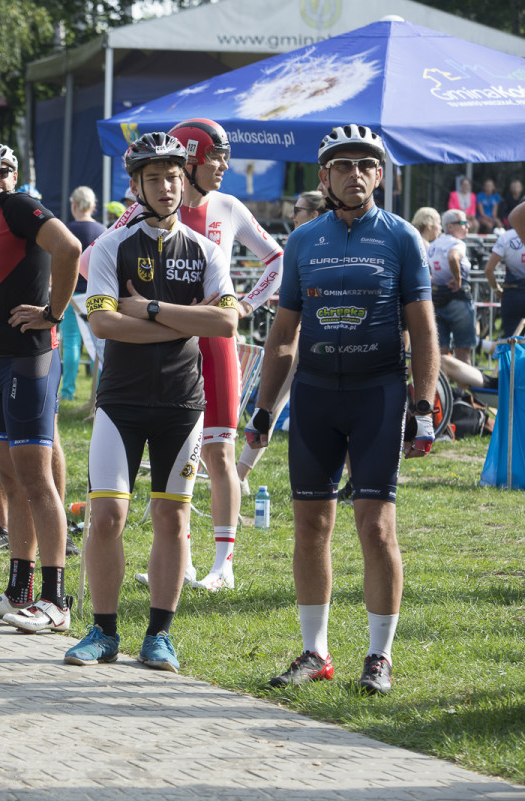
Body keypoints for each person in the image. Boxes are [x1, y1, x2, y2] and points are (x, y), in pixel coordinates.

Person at [247, 124, 438, 696]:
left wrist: (423, 407)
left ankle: (378, 656)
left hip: (377, 393)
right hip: (314, 396)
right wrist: (263, 410)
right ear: (324, 176)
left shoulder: (403, 238)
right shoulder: (304, 241)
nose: (355, 174)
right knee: (310, 526)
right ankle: (315, 651)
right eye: (343, 165)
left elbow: (424, 332)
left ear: (379, 175)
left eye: (366, 165)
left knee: (376, 526)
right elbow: (283, 336)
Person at [64, 132, 238, 672]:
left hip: (183, 404)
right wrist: (185, 319)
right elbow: (102, 322)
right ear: (135, 184)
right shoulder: (113, 247)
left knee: (172, 522)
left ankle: (159, 636)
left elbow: (228, 321)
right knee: (108, 516)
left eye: (174, 176)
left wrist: (152, 309)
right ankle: (103, 630)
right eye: (154, 177)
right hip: (121, 401)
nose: (166, 187)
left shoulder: (206, 250)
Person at [0, 129, 83, 633]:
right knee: (7, 479)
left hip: (30, 359)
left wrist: (54, 312)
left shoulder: (20, 207)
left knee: (35, 477)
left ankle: (56, 600)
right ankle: (20, 591)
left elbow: (69, 249)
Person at [162, 117, 286, 592]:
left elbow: (278, 259)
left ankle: (224, 565)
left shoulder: (228, 207)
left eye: (225, 157)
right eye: (215, 157)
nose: (224, 166)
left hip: (216, 345)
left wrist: (247, 302)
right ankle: (182, 562)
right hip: (169, 347)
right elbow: (92, 260)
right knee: (176, 453)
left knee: (219, 452)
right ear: (190, 160)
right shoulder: (149, 208)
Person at [235, 190, 326, 487]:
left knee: (278, 408)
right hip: (299, 338)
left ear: (313, 215)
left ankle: (239, 476)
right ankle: (239, 476)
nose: (291, 216)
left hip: (314, 339)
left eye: (297, 210)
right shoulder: (304, 244)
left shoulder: (311, 246)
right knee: (268, 408)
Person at [61, 186, 105, 401]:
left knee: (70, 343)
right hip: (96, 296)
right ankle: (100, 391)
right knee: (98, 346)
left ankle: (67, 392)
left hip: (70, 294)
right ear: (93, 206)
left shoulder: (66, 229)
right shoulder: (103, 230)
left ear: (74, 205)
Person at [424, 208, 477, 363]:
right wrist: (457, 278)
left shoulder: (433, 245)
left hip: (437, 300)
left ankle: (442, 387)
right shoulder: (457, 243)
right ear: (450, 227)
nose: (467, 226)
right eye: (462, 223)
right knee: (463, 350)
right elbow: (453, 256)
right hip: (458, 299)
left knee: (440, 352)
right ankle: (462, 387)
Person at [486, 221, 525, 339]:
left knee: (512, 341)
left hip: (512, 294)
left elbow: (488, 269)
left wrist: (496, 289)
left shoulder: (506, 236)